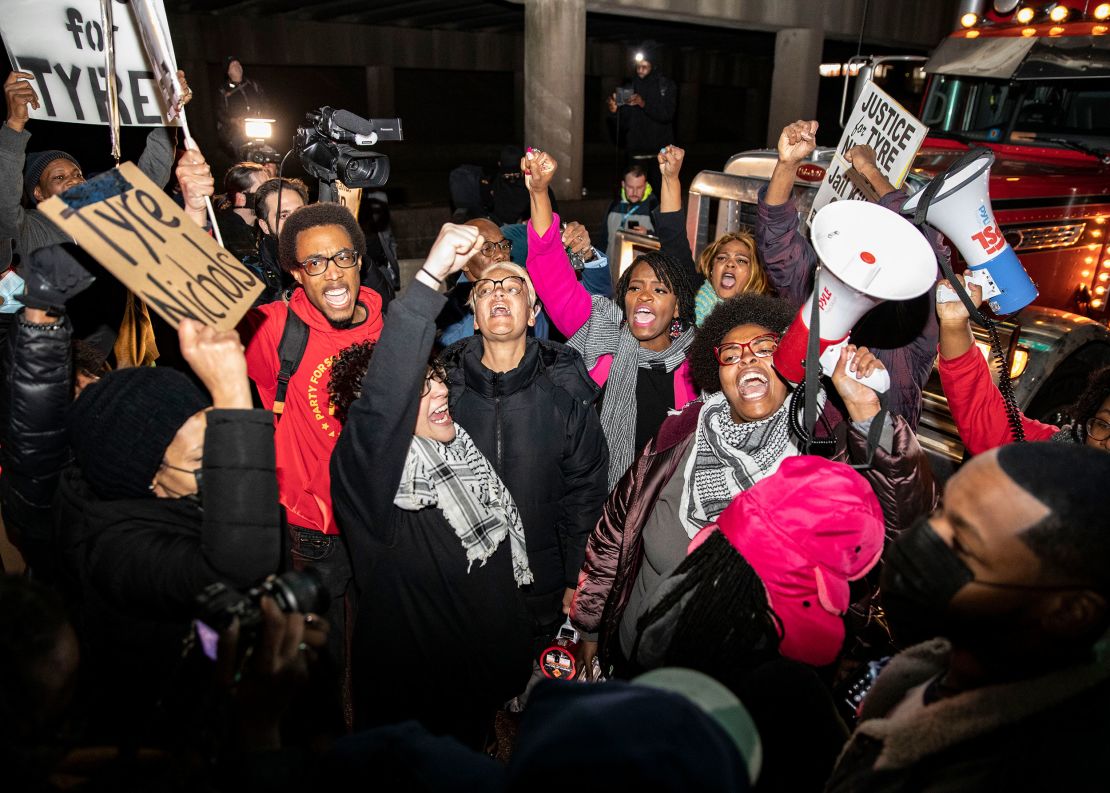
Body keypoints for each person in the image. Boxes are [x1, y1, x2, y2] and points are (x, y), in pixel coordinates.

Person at [569, 294, 938, 677]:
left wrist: (866, 410)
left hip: (751, 689)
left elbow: (906, 532)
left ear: (789, 363)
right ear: (718, 374)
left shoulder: (827, 448)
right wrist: (590, 624)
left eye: (765, 348)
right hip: (641, 661)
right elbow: (614, 531)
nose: (746, 358)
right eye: (731, 354)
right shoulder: (676, 436)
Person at [330, 222, 533, 746]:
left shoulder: (461, 456)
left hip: (475, 697)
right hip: (413, 718)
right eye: (417, 390)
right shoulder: (373, 485)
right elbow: (380, 408)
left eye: (437, 377)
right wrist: (431, 277)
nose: (439, 391)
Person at [828, 442, 1110, 792]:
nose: (922, 543)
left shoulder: (990, 772)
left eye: (962, 545)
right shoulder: (940, 667)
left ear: (1070, 612)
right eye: (940, 513)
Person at [239, 203, 385, 694]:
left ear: (360, 260)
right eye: (315, 263)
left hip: (384, 524)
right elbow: (203, 314)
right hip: (312, 531)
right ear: (297, 274)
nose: (333, 272)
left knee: (382, 652)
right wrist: (195, 210)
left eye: (342, 257)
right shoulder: (276, 328)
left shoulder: (390, 328)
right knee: (318, 664)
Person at [439, 260, 609, 645]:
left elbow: (586, 496)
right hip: (463, 581)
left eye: (513, 287)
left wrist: (575, 579)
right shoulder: (442, 394)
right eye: (486, 289)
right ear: (476, 319)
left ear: (533, 314)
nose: (498, 292)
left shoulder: (566, 394)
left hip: (543, 584)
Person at [524, 149, 697, 488]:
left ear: (677, 307)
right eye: (635, 288)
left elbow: (676, 240)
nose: (644, 296)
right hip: (594, 503)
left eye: (659, 291)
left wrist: (671, 180)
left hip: (664, 507)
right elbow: (550, 271)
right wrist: (540, 192)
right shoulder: (601, 330)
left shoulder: (697, 363)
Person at [757, 120, 940, 430]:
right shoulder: (815, 287)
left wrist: (869, 171)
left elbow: (921, 241)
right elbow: (777, 244)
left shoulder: (913, 324)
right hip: (803, 444)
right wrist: (788, 164)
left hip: (878, 463)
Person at [0, 70, 179, 363]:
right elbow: (4, 207)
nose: (74, 180)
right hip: (52, 365)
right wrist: (14, 126)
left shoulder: (105, 216)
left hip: (113, 362)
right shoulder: (29, 228)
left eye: (78, 174)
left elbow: (151, 174)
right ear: (39, 194)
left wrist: (166, 114)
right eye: (59, 177)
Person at [937, 275, 1110, 452]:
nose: (1108, 443)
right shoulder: (1059, 451)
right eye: (1104, 425)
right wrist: (954, 324)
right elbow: (986, 421)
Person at [437, 216, 607, 347]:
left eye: (504, 246)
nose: (500, 255)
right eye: (487, 248)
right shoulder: (448, 313)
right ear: (464, 262)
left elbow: (599, 302)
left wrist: (586, 253)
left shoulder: (526, 283)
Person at [654, 145, 773, 325]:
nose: (730, 263)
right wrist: (670, 178)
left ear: (754, 274)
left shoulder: (762, 320)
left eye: (741, 260)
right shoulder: (692, 294)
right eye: (722, 258)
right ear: (711, 269)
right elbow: (673, 238)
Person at [606, 44, 677, 190]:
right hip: (635, 153)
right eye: (638, 66)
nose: (640, 70)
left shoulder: (665, 86)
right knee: (634, 193)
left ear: (653, 66)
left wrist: (643, 103)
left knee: (659, 194)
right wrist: (613, 112)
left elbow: (667, 115)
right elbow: (622, 124)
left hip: (659, 154)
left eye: (645, 66)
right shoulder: (628, 88)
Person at [242, 176, 309, 304]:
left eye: (299, 212)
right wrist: (288, 296)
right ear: (265, 226)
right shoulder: (251, 274)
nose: (294, 221)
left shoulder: (326, 253)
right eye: (284, 215)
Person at [596, 164, 659, 265]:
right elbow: (603, 241)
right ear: (623, 185)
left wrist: (648, 234)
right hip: (611, 274)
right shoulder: (614, 205)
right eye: (630, 187)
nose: (634, 192)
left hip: (638, 275)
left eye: (639, 187)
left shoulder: (654, 206)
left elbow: (667, 242)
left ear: (646, 185)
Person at [215, 161, 268, 260]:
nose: (270, 196)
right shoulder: (222, 232)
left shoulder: (264, 232)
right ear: (241, 199)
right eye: (263, 191)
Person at [216, 56, 266, 158]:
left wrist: (262, 116)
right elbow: (219, 112)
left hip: (258, 126)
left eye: (238, 64)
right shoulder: (223, 90)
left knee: (265, 152)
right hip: (236, 130)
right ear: (228, 71)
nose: (237, 67)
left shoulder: (253, 84)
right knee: (242, 154)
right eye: (233, 65)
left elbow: (265, 103)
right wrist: (233, 121)